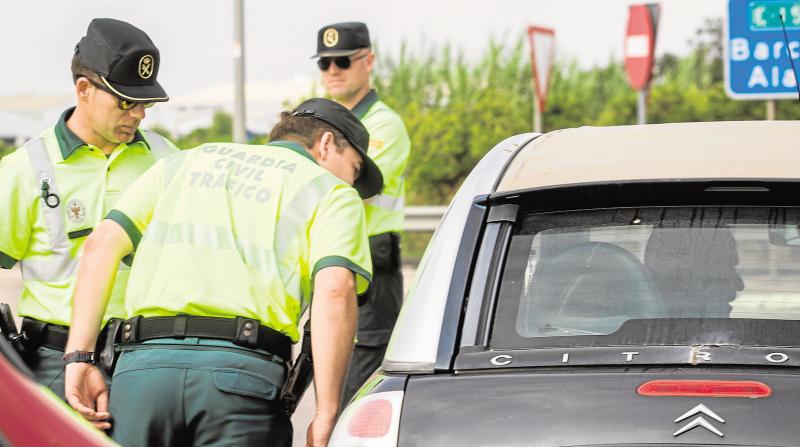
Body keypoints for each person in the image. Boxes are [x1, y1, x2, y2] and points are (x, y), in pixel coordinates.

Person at [63, 98, 383, 447]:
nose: (351, 184)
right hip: (240, 383)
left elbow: (99, 246)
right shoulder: (329, 191)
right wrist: (326, 412)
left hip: (142, 375)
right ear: (325, 145)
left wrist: (79, 357)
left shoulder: (182, 162)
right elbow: (336, 289)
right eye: (353, 169)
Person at [0, 18, 176, 399]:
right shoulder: (25, 168)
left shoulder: (167, 159)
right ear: (84, 89)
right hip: (52, 361)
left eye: (145, 103)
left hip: (145, 359)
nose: (139, 114)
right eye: (127, 101)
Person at [313, 21, 411, 407]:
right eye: (324, 63)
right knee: (329, 385)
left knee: (359, 395)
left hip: (373, 263)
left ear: (368, 61)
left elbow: (350, 190)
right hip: (332, 261)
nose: (332, 70)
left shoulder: (384, 124)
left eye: (342, 61)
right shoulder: (322, 120)